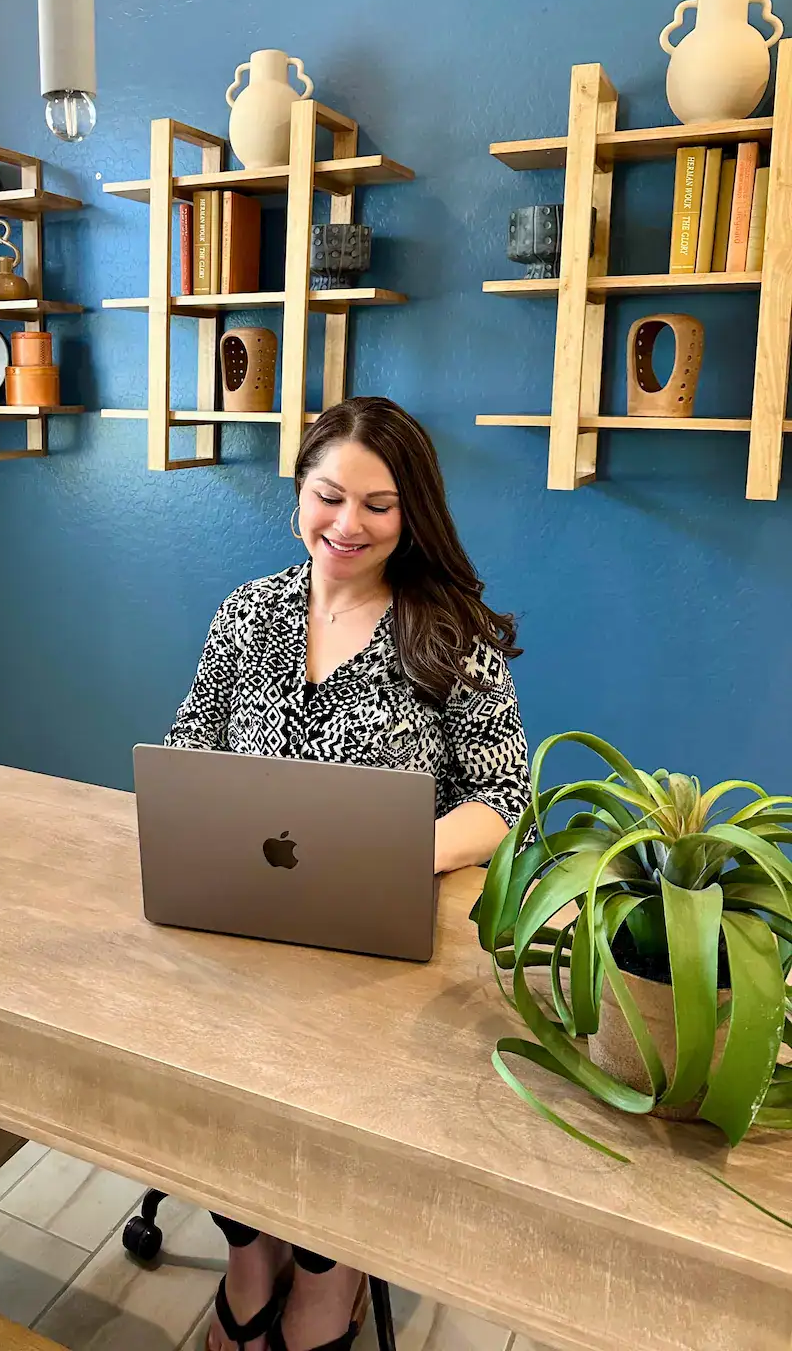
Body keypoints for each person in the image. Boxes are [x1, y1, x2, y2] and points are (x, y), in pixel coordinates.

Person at [166, 397, 530, 1351]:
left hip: (380, 931)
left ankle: (334, 1266)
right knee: (202, 1063)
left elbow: (504, 798)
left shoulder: (451, 631)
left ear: (414, 515)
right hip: (241, 922)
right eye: (330, 496)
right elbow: (186, 749)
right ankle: (251, 1249)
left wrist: (400, 848)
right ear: (298, 494)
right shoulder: (247, 615)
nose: (349, 525)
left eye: (379, 505)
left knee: (342, 1100)